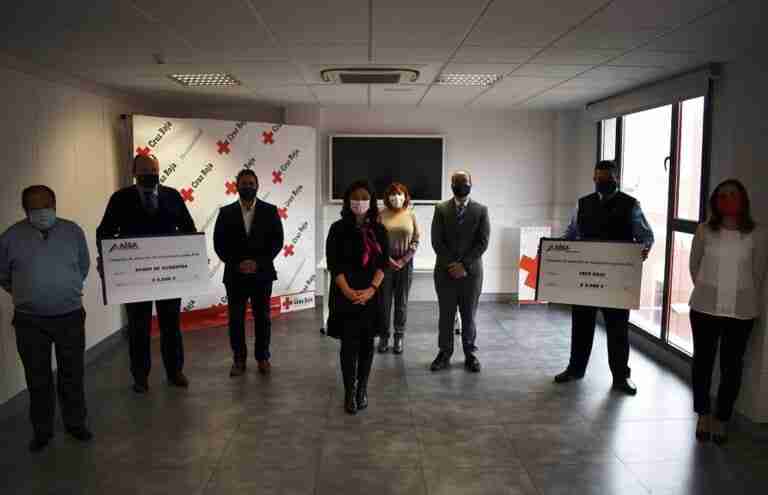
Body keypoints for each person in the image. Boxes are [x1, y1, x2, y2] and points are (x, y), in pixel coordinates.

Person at [0, 185, 92, 452]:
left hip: (70, 316)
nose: (41, 212)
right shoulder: (10, 237)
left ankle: (75, 423)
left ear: (54, 205)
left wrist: (61, 287)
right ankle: (42, 430)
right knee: (37, 377)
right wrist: (28, 293)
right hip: (29, 321)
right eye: (34, 207)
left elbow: (83, 266)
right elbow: (3, 276)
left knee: (72, 374)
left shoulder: (73, 231)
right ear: (25, 209)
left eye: (46, 206)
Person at [96, 154, 196, 394]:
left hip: (168, 275)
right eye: (144, 171)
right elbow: (105, 233)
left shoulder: (173, 196)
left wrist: (193, 257)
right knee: (138, 328)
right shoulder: (120, 199)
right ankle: (140, 377)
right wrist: (107, 260)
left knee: (171, 325)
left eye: (153, 170)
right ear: (134, 172)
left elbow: (188, 229)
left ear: (159, 171)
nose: (149, 174)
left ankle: (175, 372)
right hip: (135, 277)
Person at [554, 160, 654, 395]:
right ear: (593, 178)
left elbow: (646, 236)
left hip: (616, 281)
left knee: (618, 330)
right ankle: (575, 369)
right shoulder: (583, 203)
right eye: (598, 178)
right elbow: (571, 234)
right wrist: (554, 250)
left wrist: (643, 250)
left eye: (606, 178)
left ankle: (621, 377)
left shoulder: (631, 205)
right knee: (581, 326)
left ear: (616, 178)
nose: (601, 182)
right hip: (585, 277)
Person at [689, 179, 766, 444]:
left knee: (731, 367)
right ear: (715, 201)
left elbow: (758, 273)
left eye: (732, 194)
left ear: (742, 199)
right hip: (704, 308)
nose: (727, 199)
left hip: (741, 312)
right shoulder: (704, 230)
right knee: (702, 363)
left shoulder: (757, 233)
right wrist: (708, 289)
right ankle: (703, 414)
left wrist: (742, 295)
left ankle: (722, 418)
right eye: (722, 195)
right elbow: (694, 266)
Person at [325, 180, 389, 414]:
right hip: (345, 294)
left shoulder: (380, 230)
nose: (359, 202)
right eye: (355, 197)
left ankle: (362, 389)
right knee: (348, 346)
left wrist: (371, 290)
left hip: (371, 295)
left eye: (364, 198)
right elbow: (334, 264)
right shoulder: (337, 229)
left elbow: (383, 265)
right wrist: (348, 291)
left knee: (367, 345)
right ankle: (349, 392)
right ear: (347, 201)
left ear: (371, 202)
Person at [213, 169, 284, 377]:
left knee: (263, 318)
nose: (248, 187)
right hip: (235, 275)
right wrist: (238, 264)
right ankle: (239, 360)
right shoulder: (225, 213)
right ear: (237, 186)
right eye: (244, 184)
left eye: (251, 184)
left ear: (257, 186)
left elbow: (277, 241)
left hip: (262, 274)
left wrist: (257, 263)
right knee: (236, 319)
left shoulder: (270, 211)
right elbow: (219, 244)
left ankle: (263, 358)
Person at [430, 170, 490, 373]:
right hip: (445, 272)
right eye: (457, 182)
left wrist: (463, 265)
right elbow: (436, 241)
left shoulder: (481, 210)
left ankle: (470, 353)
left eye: (465, 182)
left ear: (471, 184)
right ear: (451, 185)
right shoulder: (440, 209)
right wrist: (452, 265)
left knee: (469, 315)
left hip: (471, 274)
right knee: (446, 315)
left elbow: (482, 242)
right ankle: (444, 353)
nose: (461, 186)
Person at [377, 182, 420, 355]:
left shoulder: (411, 215)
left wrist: (404, 260)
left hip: (405, 264)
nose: (396, 197)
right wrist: (387, 260)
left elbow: (416, 239)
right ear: (387, 197)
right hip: (384, 264)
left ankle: (399, 336)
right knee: (384, 303)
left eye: (400, 194)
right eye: (393, 194)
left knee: (401, 302)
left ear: (405, 196)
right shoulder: (381, 215)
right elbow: (375, 241)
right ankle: (384, 336)